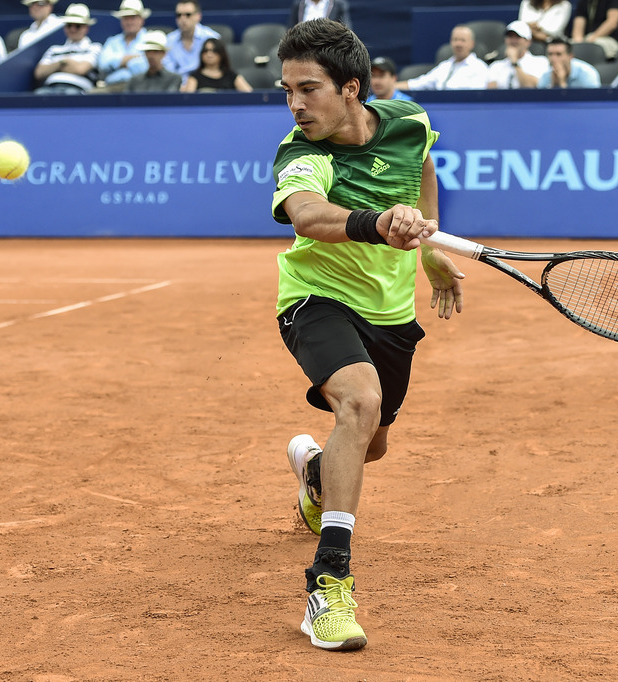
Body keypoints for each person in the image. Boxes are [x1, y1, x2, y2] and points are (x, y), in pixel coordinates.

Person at [272, 17, 464, 651]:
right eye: (287, 91)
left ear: (351, 87)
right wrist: (378, 220)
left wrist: (430, 245)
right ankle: (328, 586)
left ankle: (318, 471)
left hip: (389, 313)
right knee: (359, 401)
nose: (296, 104)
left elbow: (423, 166)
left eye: (309, 88)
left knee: (371, 444)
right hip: (316, 298)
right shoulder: (301, 154)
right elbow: (308, 215)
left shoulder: (407, 122)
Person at [33, 3, 101, 94]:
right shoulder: (54, 49)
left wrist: (55, 66)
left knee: (71, 94)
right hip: (49, 88)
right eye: (69, 25)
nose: (72, 29)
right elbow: (39, 73)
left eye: (77, 26)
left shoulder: (94, 47)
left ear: (86, 28)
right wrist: (63, 63)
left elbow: (80, 69)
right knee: (39, 94)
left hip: (77, 90)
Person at [398, 24, 489, 91]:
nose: (458, 44)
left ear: (472, 44)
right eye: (455, 40)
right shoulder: (444, 66)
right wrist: (391, 86)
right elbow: (418, 83)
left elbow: (477, 94)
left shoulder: (479, 67)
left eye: (462, 40)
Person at [162, 0, 219, 80]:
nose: (183, 19)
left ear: (198, 16)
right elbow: (168, 70)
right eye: (179, 15)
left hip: (204, 83)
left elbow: (215, 70)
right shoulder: (169, 40)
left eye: (188, 15)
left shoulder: (212, 38)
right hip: (176, 86)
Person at [98, 0, 150, 87]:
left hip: (141, 87)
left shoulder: (150, 39)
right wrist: (130, 59)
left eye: (133, 17)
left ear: (142, 19)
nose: (129, 22)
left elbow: (147, 67)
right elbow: (103, 64)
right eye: (125, 18)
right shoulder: (112, 41)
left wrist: (118, 63)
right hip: (112, 89)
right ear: (121, 20)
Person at [487, 20, 549, 89]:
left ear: (528, 41)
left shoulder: (540, 62)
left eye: (518, 37)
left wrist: (515, 63)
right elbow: (491, 93)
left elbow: (532, 87)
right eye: (510, 37)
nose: (513, 41)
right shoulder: (496, 66)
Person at [180, 37, 252, 92]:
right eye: (206, 51)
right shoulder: (194, 77)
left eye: (214, 51)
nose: (209, 54)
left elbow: (249, 94)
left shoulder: (231, 75)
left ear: (221, 54)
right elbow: (189, 99)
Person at [287, 0, 353, 30]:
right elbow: (291, 28)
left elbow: (346, 29)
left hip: (328, 45)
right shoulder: (298, 4)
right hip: (302, 44)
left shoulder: (338, 4)